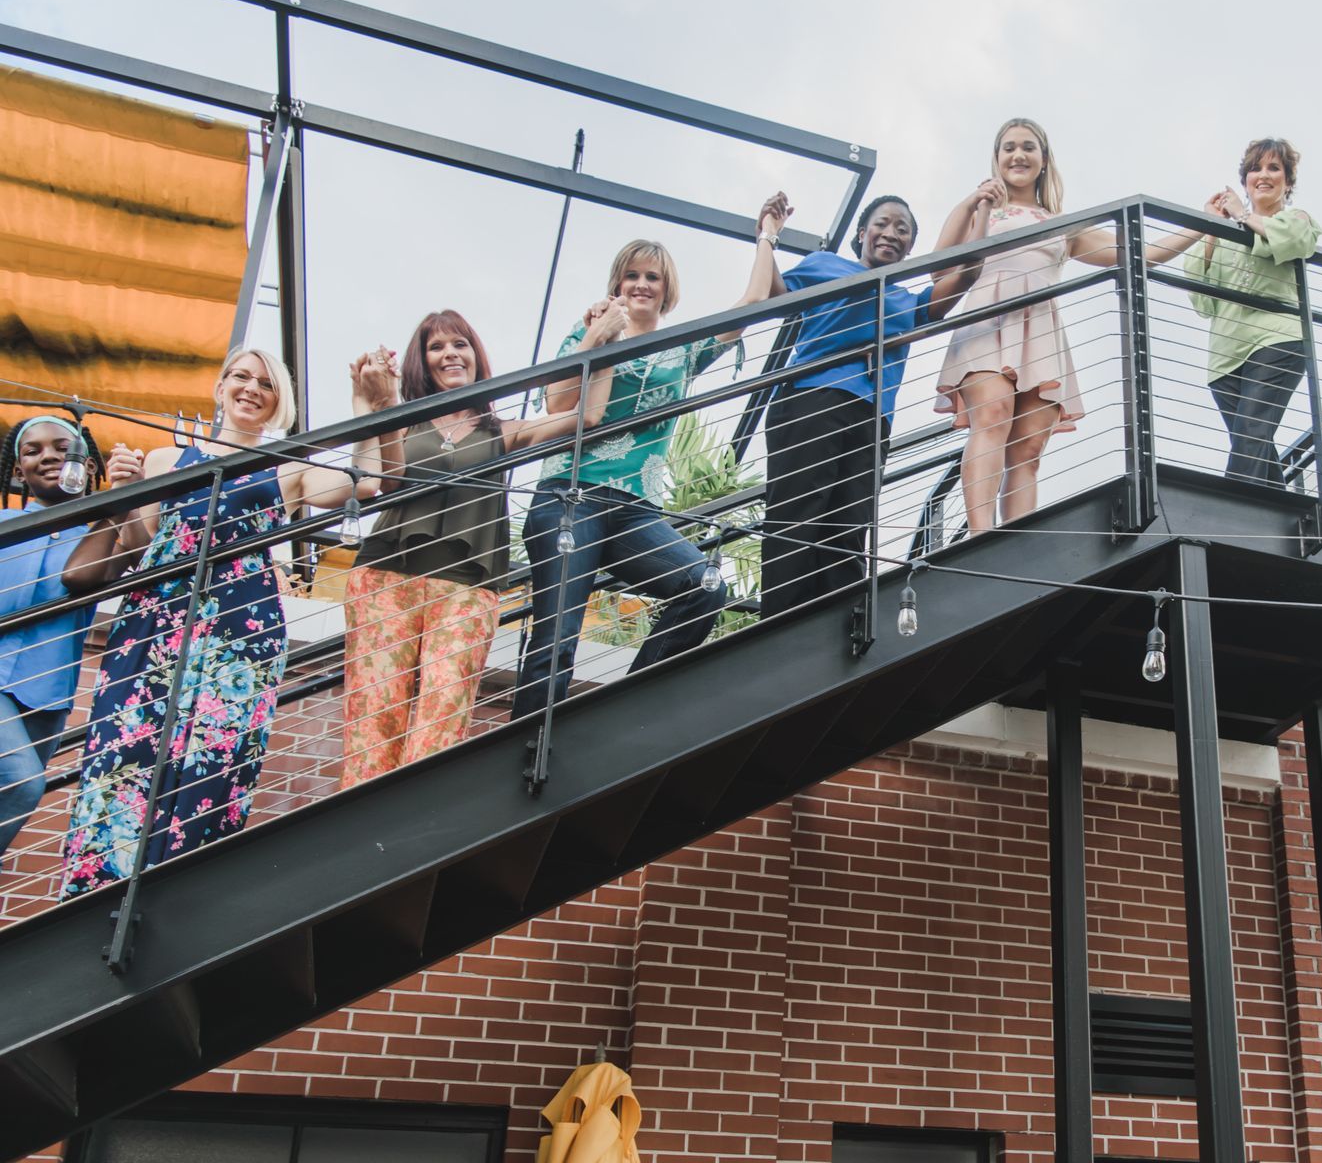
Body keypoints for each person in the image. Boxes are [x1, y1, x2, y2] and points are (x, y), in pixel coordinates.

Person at [58, 347, 381, 897]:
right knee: (126, 744)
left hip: (241, 626)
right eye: (240, 377)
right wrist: (119, 492)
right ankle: (98, 885)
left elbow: (365, 484)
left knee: (216, 751)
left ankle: (181, 884)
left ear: (279, 399)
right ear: (220, 386)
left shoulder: (291, 466)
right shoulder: (165, 460)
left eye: (265, 382)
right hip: (155, 616)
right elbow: (140, 543)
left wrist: (366, 405)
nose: (251, 388)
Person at [510, 196, 792, 720]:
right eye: (632, 275)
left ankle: (627, 707)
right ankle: (525, 746)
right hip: (570, 498)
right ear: (617, 284)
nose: (641, 284)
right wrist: (598, 339)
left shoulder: (683, 348)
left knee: (704, 586)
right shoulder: (586, 330)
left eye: (653, 278)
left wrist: (767, 234)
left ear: (667, 290)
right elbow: (557, 405)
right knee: (558, 639)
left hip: (635, 508)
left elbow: (753, 304)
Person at [339, 309, 619, 786]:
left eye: (460, 344)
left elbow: (586, 415)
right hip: (386, 577)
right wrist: (378, 405)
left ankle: (416, 837)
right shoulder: (405, 422)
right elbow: (384, 480)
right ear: (421, 363)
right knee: (374, 718)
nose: (449, 353)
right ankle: (357, 835)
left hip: (468, 588)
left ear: (475, 355)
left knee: (443, 717)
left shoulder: (502, 430)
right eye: (436, 347)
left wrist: (600, 339)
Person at [931, 118, 1205, 533]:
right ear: (996, 158)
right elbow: (941, 267)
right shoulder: (983, 210)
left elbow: (1140, 253)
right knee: (993, 414)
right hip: (989, 320)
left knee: (1028, 446)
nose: (1018, 155)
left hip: (1038, 331)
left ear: (1043, 160)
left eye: (1028, 147)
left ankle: (1016, 541)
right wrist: (974, 202)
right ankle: (980, 533)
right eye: (1008, 147)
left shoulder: (1064, 224)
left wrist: (1199, 225)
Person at [758, 194, 983, 616]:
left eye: (903, 230)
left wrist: (980, 208)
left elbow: (969, 273)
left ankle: (837, 622)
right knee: (799, 513)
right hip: (809, 398)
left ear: (910, 249)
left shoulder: (907, 300)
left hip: (871, 415)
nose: (892, 233)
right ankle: (779, 624)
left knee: (849, 524)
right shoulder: (826, 265)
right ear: (862, 233)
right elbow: (773, 292)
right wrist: (768, 236)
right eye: (883, 223)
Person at [0, 414, 118, 864]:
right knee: (23, 782)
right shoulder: (4, 524)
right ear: (18, 471)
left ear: (88, 466)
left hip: (46, 695)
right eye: (32, 451)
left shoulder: (103, 536)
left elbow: (84, 578)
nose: (48, 455)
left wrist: (121, 500)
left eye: (61, 448)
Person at [1185, 137, 1322, 486]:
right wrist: (1212, 229)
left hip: (1277, 340)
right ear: (1245, 179)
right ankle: (1284, 522)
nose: (1263, 175)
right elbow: (1203, 301)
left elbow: (1292, 241)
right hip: (1225, 356)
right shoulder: (1227, 232)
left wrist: (1243, 215)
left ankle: (1226, 517)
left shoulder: (1296, 218)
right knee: (1254, 444)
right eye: (1255, 169)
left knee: (1250, 433)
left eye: (1274, 168)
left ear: (1288, 182)